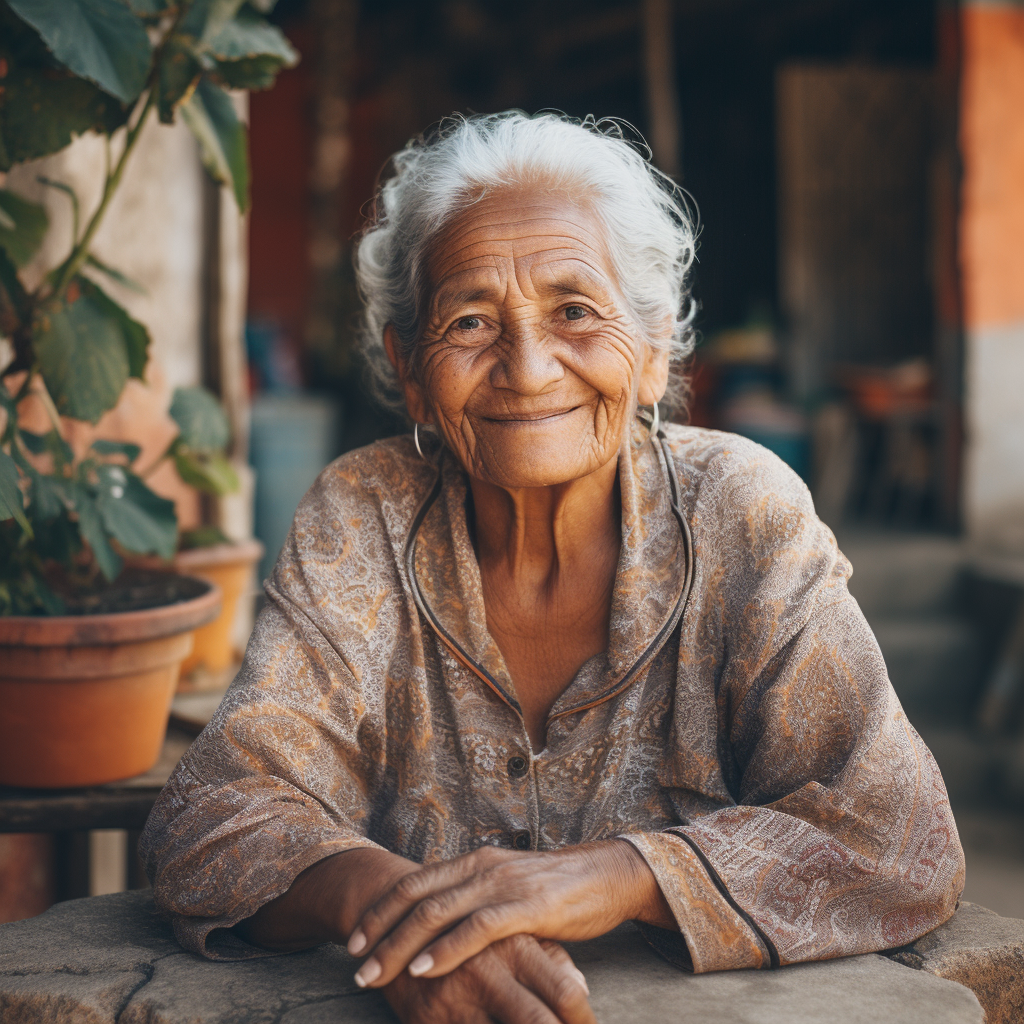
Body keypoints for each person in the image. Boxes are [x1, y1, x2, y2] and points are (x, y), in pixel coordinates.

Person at [140, 112, 965, 1024]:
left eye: (574, 310)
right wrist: (401, 921)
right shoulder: (362, 517)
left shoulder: (743, 512)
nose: (528, 369)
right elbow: (210, 817)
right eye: (470, 321)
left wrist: (619, 875)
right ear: (410, 371)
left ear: (653, 352)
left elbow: (898, 835)